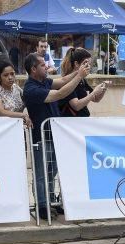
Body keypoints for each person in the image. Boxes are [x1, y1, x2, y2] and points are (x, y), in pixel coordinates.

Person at [22, 53, 91, 220]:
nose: (47, 66)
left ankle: (51, 200)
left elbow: (62, 81)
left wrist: (78, 71)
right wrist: (79, 76)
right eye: (42, 65)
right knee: (41, 173)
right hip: (41, 135)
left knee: (52, 170)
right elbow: (59, 93)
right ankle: (42, 205)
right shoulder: (31, 89)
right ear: (33, 69)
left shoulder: (44, 81)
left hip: (54, 134)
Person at [58, 48, 106, 117]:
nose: (89, 67)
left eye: (89, 64)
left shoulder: (82, 80)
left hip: (82, 120)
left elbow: (95, 99)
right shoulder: (68, 81)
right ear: (76, 64)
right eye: (85, 63)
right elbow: (76, 106)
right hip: (71, 123)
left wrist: (104, 88)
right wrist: (94, 92)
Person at [0, 62, 31, 127]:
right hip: (4, 128)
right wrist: (23, 115)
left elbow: (28, 102)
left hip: (19, 127)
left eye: (12, 74)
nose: (10, 77)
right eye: (6, 75)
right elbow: (1, 112)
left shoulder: (17, 88)